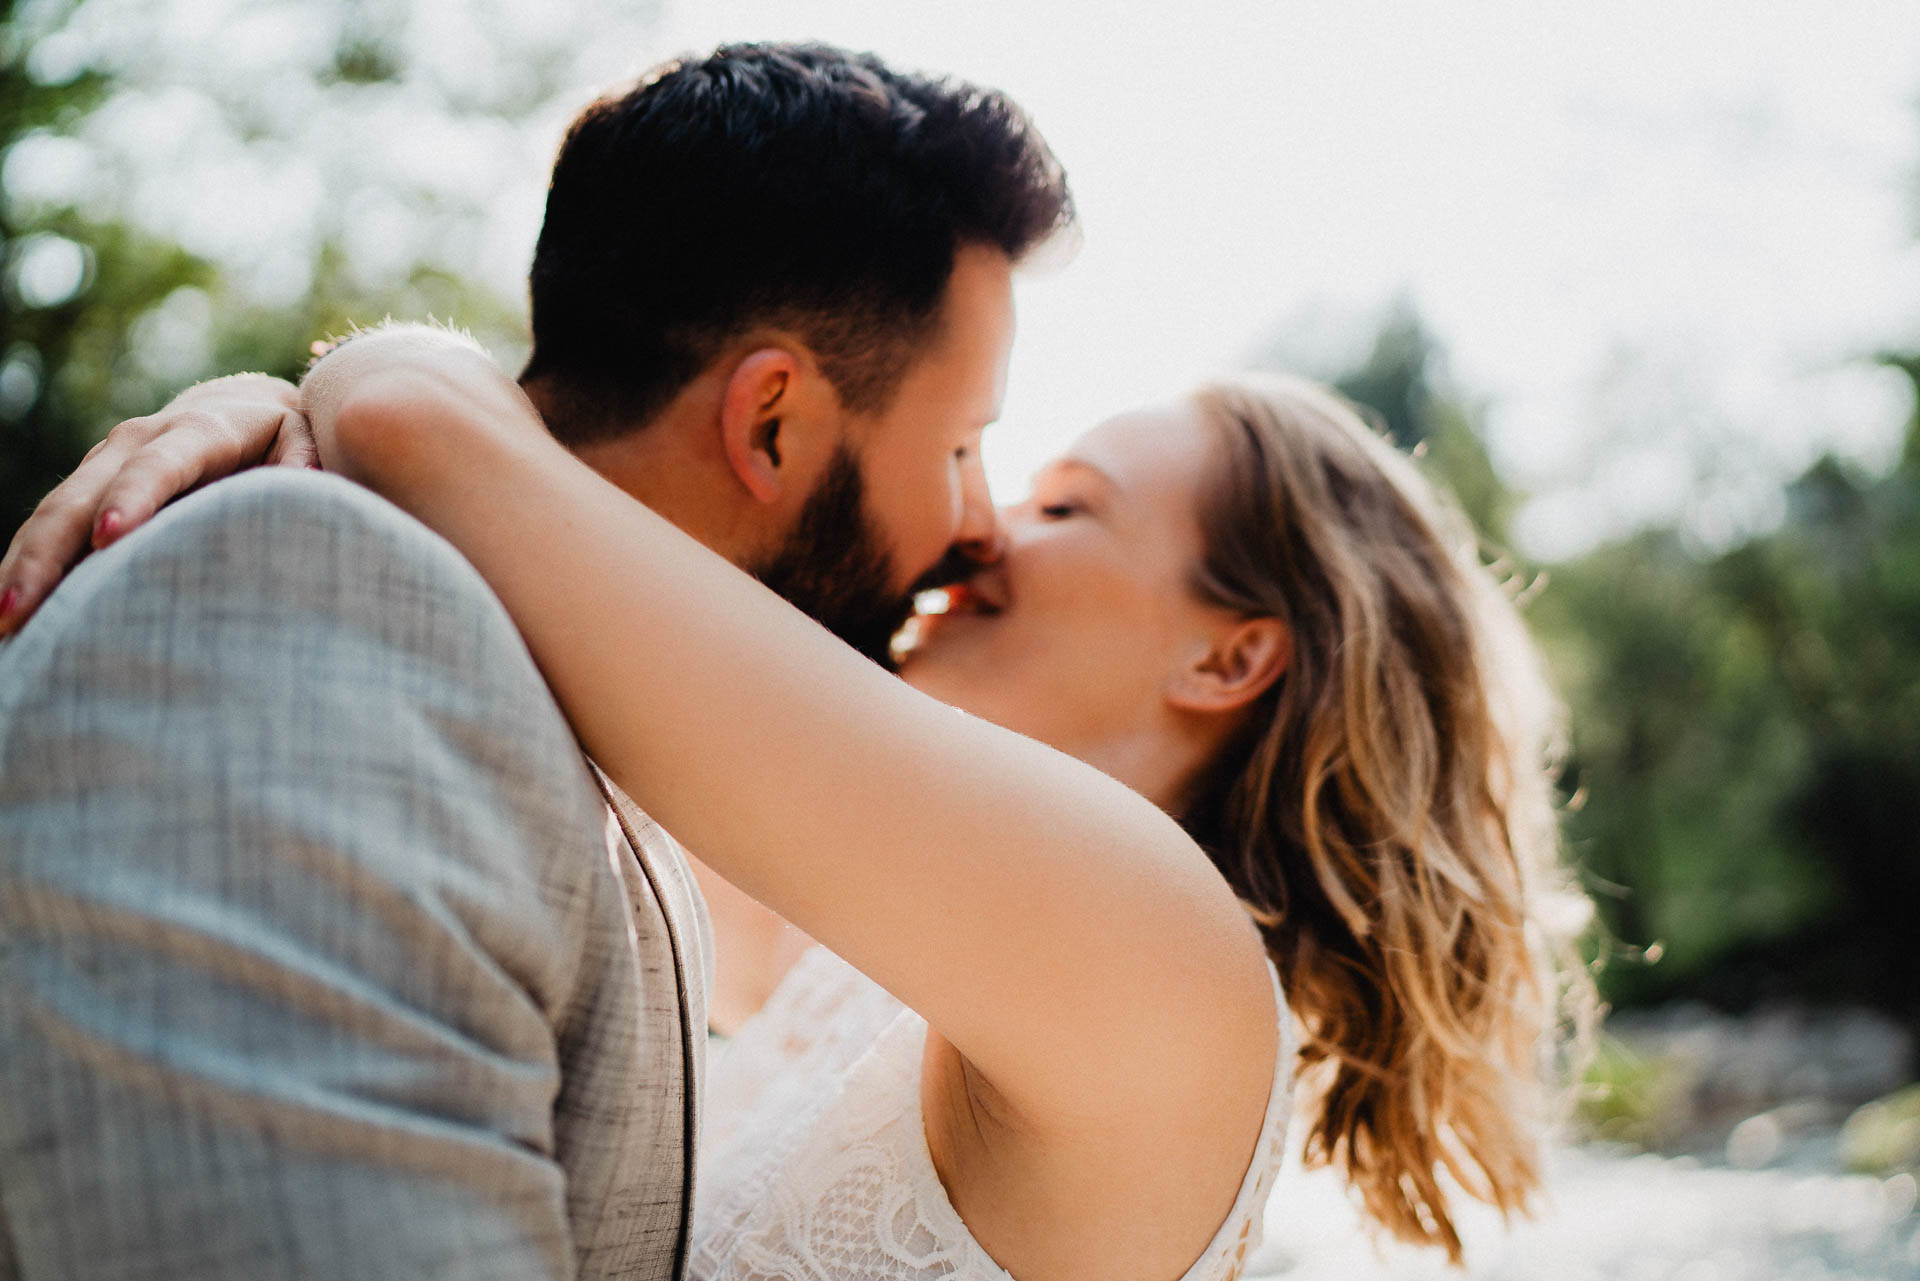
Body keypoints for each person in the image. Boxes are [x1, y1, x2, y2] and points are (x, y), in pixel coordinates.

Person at [0, 43, 1071, 1280]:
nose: (982, 522)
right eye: (958, 448)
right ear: (770, 421)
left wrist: (376, 375)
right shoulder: (309, 597)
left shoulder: (586, 741)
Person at [272, 325, 1587, 1279]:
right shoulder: (866, 963)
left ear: (1230, 656)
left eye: (1068, 504)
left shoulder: (1160, 964)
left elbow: (420, 433)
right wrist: (289, 439)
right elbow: (504, 546)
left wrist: (314, 405)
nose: (981, 523)